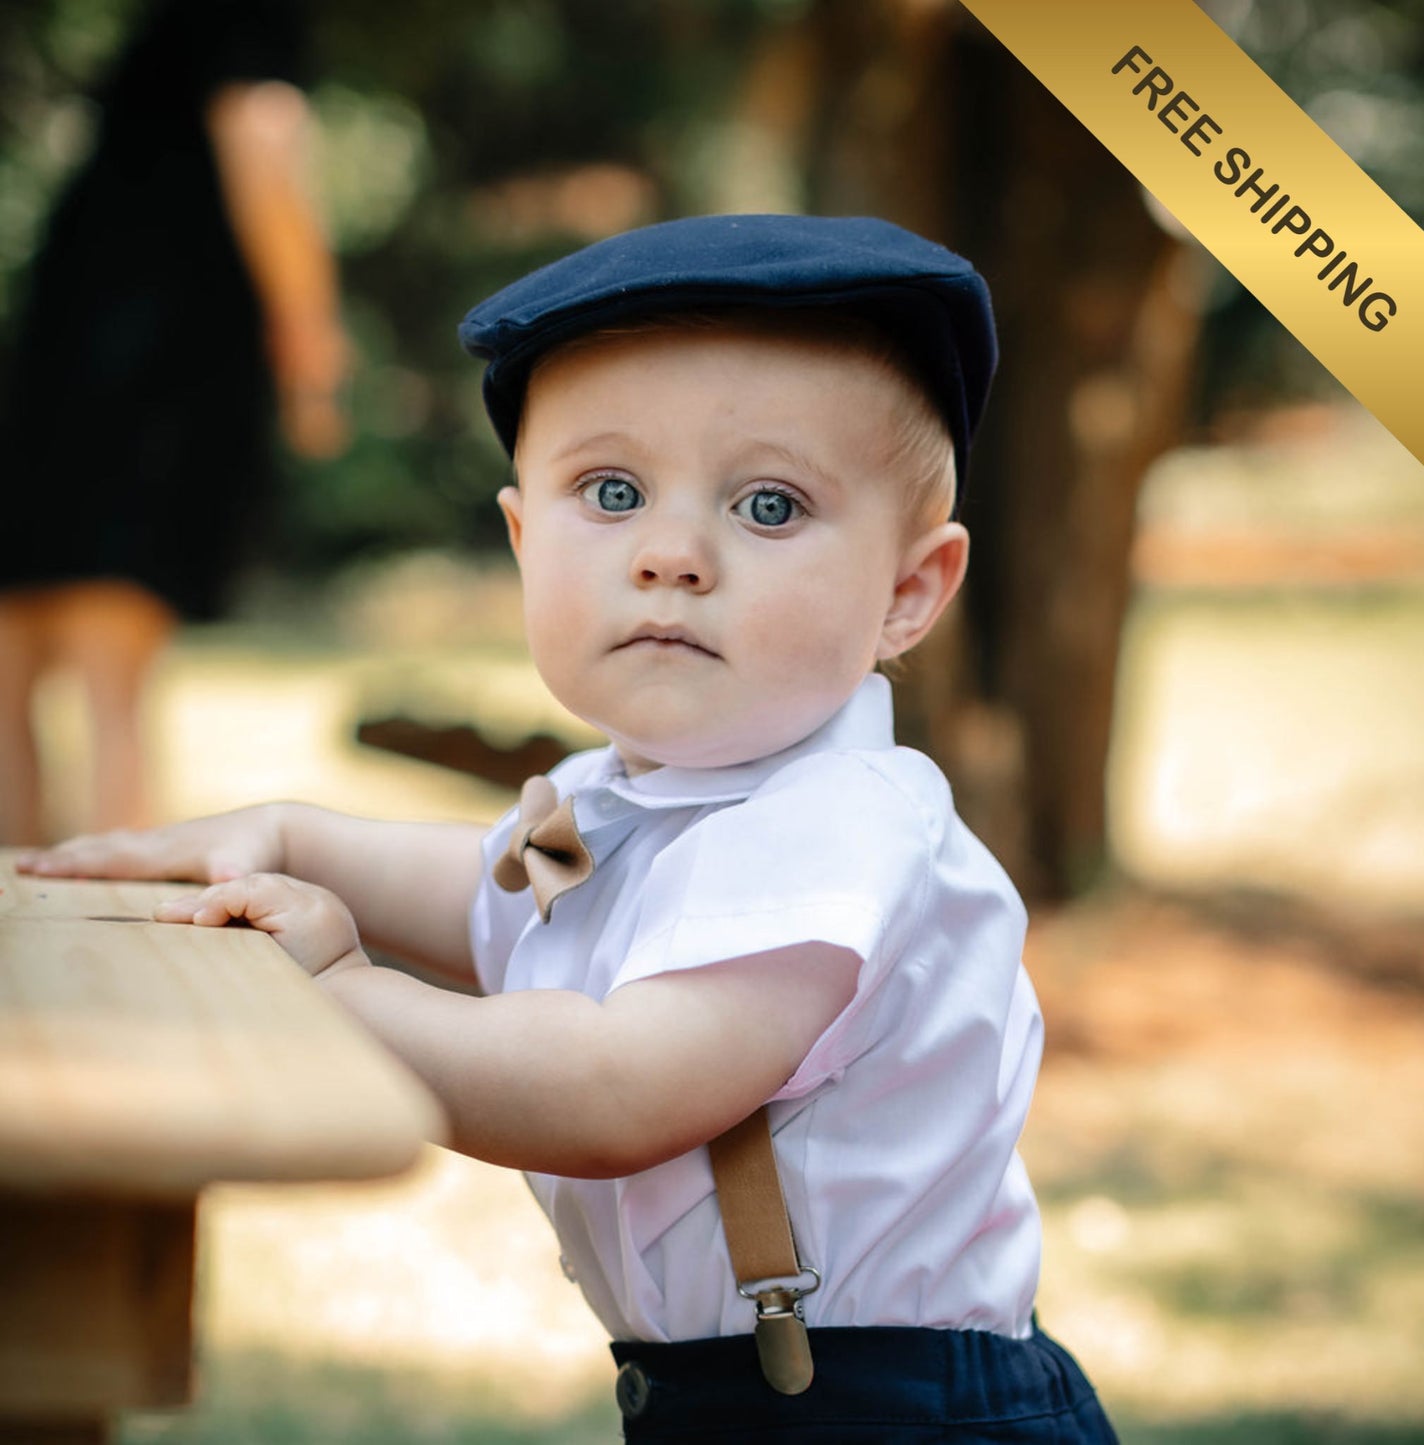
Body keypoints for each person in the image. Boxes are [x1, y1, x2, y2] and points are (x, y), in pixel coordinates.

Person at [18, 214, 1117, 1442]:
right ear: (523, 538)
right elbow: (486, 896)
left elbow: (614, 1086)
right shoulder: (621, 794)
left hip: (890, 1411)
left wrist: (340, 988)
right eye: (610, 492)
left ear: (907, 591)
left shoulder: (836, 825)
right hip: (736, 1394)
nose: (670, 554)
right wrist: (294, 836)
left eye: (766, 504)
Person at [0, 0, 349, 845]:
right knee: (110, 666)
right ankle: (113, 930)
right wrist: (311, 338)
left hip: (63, 359)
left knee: (18, 664)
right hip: (154, 369)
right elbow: (263, 136)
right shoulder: (243, 26)